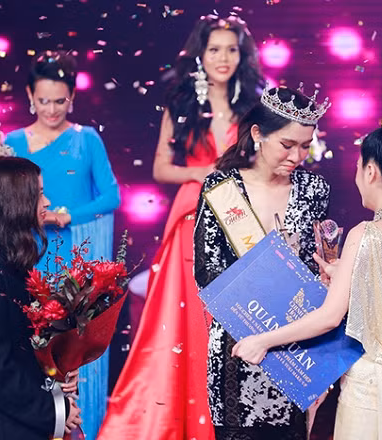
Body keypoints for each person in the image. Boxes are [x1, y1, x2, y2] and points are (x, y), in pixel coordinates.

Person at [98, 13, 263, 440]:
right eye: (214, 49)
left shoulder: (253, 107)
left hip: (241, 219)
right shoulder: (183, 103)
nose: (223, 58)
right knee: (186, 320)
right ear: (200, 55)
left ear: (241, 55)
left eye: (231, 50)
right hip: (192, 219)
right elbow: (160, 168)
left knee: (231, 321)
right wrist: (201, 172)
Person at [233, 113, 382, 440]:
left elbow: (329, 317)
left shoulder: (367, 234)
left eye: (358, 168)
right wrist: (351, 278)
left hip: (374, 384)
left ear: (370, 171)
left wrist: (262, 341)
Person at [193, 84, 331, 440]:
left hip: (295, 346)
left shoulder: (314, 190)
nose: (297, 155)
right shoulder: (222, 188)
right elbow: (206, 271)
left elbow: (320, 266)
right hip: (238, 342)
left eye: (305, 145)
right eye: (287, 144)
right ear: (257, 134)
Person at [4, 50, 121, 440]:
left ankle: (81, 430)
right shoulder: (11, 142)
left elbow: (111, 197)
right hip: (26, 257)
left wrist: (65, 216)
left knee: (75, 350)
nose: (51, 110)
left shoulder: (87, 140)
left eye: (59, 101)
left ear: (72, 97)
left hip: (73, 259)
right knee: (28, 345)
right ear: (29, 96)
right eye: (43, 100)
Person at [0, 157, 82, 440]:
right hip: (4, 425)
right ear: (13, 201)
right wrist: (53, 411)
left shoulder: (8, 259)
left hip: (17, 417)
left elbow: (21, 346)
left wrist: (59, 371)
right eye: (39, 194)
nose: (47, 202)